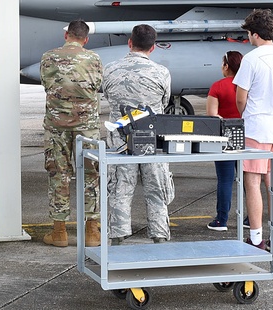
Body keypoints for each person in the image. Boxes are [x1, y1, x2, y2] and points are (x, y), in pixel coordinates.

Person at [102, 24, 173, 244]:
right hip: (153, 139)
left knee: (120, 188)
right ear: (153, 48)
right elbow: (164, 102)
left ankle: (118, 237)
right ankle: (159, 236)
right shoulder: (161, 72)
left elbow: (107, 96)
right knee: (157, 188)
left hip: (120, 140)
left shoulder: (111, 69)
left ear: (130, 43)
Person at [233, 10, 273, 252]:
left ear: (254, 34)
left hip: (256, 127)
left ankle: (257, 238)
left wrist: (245, 115)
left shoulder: (252, 59)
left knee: (252, 182)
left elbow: (241, 97)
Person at [39, 20, 104, 247]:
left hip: (57, 125)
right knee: (91, 175)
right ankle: (92, 232)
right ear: (85, 39)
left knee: (59, 174)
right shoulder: (94, 58)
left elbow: (48, 85)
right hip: (87, 126)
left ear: (67, 35)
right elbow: (96, 86)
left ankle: (59, 232)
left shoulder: (48, 57)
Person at [205, 49, 244, 231]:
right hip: (246, 136)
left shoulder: (217, 86)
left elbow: (212, 115)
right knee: (249, 180)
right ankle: (251, 218)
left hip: (224, 137)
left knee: (225, 179)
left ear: (227, 66)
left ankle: (222, 220)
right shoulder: (246, 85)